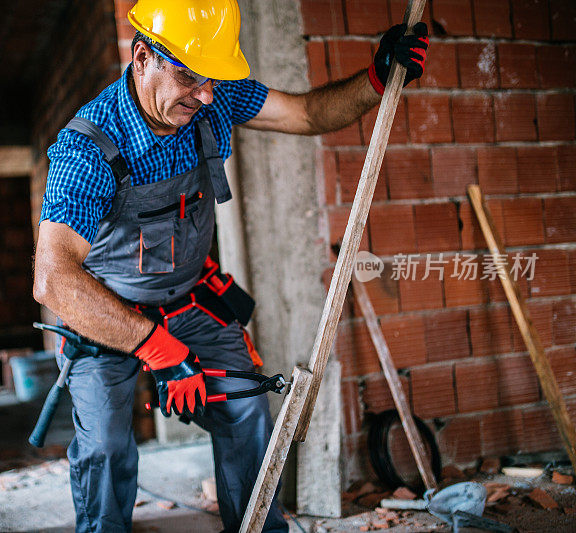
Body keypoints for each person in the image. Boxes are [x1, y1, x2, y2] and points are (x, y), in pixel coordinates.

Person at [33, 1, 429, 531]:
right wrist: (155, 346)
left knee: (246, 410)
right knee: (105, 446)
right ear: (143, 55)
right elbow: (54, 279)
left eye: (214, 79)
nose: (207, 94)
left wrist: (377, 78)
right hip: (106, 314)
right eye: (191, 76)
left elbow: (309, 113)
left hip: (189, 300)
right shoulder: (89, 148)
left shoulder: (210, 101)